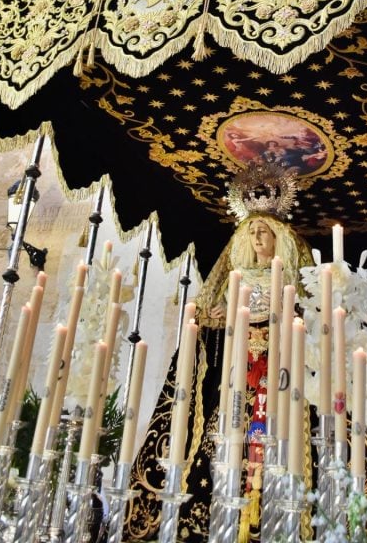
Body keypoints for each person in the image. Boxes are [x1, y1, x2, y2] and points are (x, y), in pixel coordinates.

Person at [125, 172, 312, 543]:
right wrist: (210, 318)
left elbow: (306, 316)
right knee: (225, 440)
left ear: (281, 240)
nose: (258, 238)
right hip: (236, 377)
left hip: (277, 375)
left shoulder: (294, 283)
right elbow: (212, 318)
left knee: (275, 438)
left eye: (264, 231)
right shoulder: (234, 279)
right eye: (252, 232)